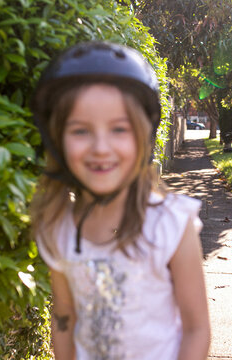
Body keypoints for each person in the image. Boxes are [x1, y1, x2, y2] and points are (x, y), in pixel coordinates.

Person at [30, 41, 210, 360]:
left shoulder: (170, 225)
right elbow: (64, 319)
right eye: (81, 131)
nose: (101, 147)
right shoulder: (58, 228)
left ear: (143, 136)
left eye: (118, 129)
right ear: (57, 140)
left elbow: (197, 329)